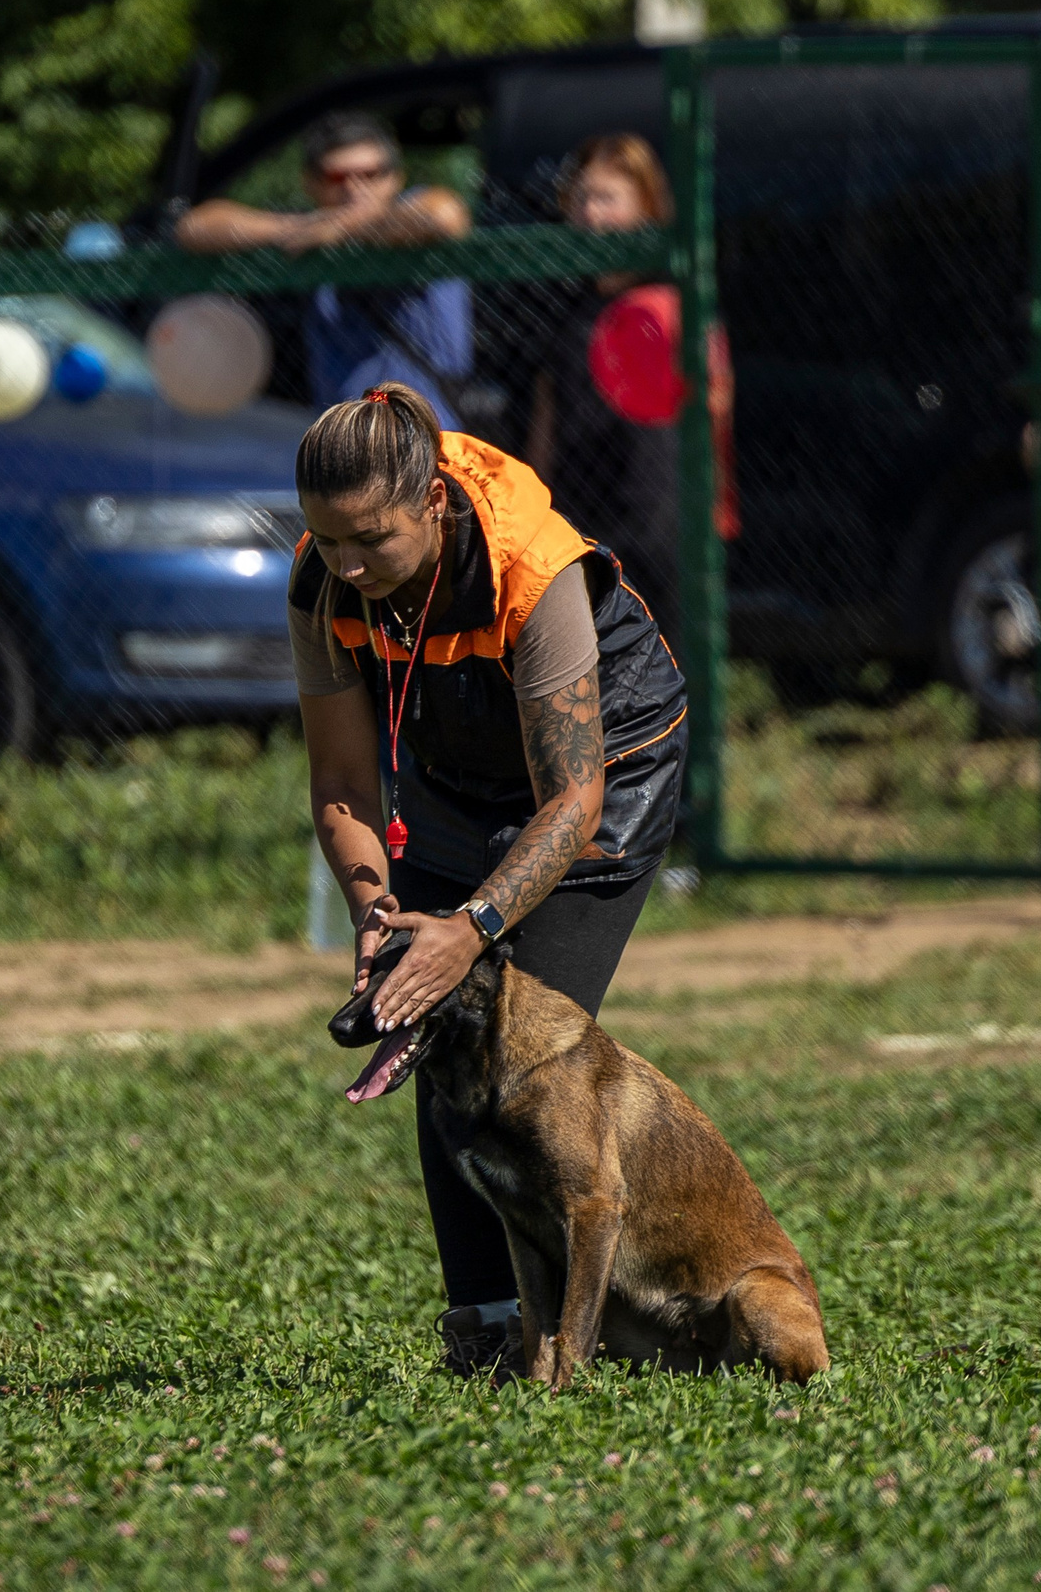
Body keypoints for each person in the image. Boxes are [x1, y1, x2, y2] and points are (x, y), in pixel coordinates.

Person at [290, 381, 689, 1378]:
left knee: (519, 1050)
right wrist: (378, 915)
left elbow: (571, 803)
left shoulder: (527, 563)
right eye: (324, 539)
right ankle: (486, 1330)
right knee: (436, 1029)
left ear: (429, 503)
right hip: (456, 776)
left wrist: (468, 928)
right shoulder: (324, 576)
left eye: (368, 540)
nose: (346, 564)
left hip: (604, 773)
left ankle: (610, 1318)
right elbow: (339, 780)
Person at [176, 112, 476, 424]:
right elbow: (194, 227)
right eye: (337, 177)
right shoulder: (313, 232)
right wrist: (300, 228)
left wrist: (346, 226)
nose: (354, 188)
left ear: (395, 177)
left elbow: (444, 216)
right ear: (310, 183)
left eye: (370, 174)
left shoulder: (410, 212)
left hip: (427, 436)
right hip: (343, 443)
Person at [526, 134, 688, 635]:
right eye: (581, 199)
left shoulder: (672, 298)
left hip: (660, 530)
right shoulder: (563, 306)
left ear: (645, 206)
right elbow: (546, 419)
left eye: (606, 199)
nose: (591, 216)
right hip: (581, 527)